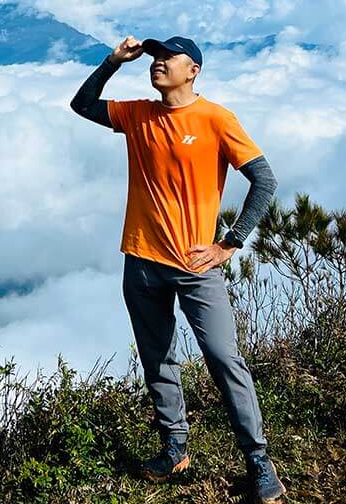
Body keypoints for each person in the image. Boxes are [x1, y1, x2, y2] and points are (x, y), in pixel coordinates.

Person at [70, 34, 287, 503]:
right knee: (158, 359)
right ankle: (175, 447)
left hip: (195, 265)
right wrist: (113, 61)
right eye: (155, 57)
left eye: (170, 58)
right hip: (142, 260)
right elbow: (82, 104)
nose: (159, 64)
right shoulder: (138, 113)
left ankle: (259, 462)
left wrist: (230, 242)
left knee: (224, 359)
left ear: (194, 71)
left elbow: (264, 180)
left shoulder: (215, 119)